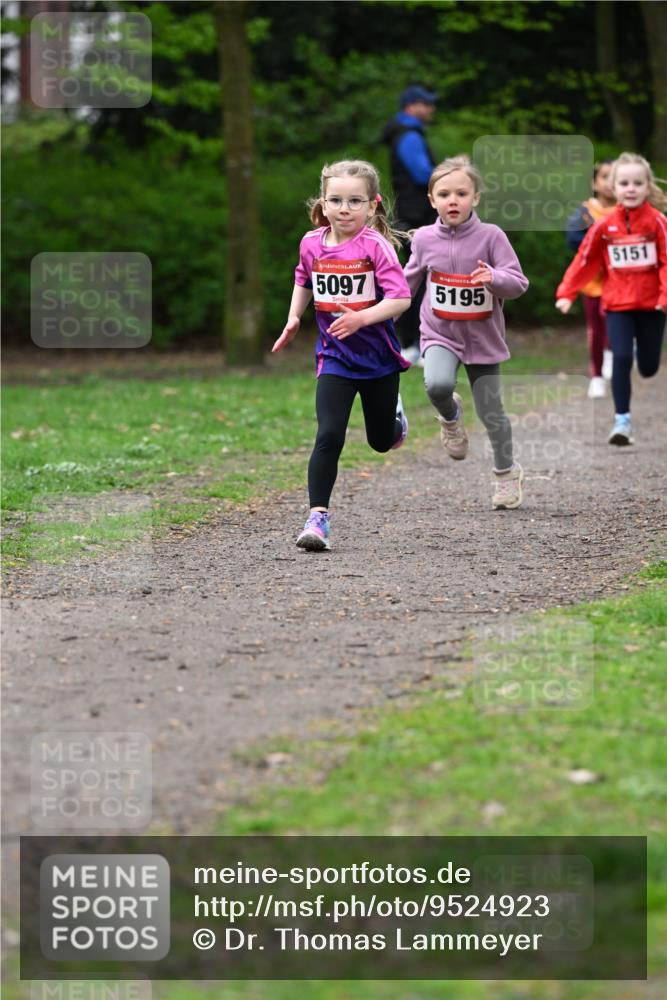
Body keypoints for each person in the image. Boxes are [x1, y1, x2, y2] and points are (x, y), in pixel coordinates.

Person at [272, 159, 412, 552]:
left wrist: (361, 319)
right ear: (324, 202)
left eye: (354, 201)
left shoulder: (375, 246)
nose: (344, 208)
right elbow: (303, 278)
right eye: (336, 200)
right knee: (328, 434)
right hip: (334, 357)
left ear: (372, 205)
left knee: (381, 442)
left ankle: (395, 421)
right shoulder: (311, 242)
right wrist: (293, 318)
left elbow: (401, 298)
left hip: (378, 359)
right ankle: (318, 519)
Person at [404, 156, 529, 509]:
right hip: (439, 331)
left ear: (475, 198)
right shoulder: (425, 238)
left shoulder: (492, 236)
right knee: (437, 385)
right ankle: (450, 416)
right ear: (432, 200)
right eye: (444, 194)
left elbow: (518, 282)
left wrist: (495, 277)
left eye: (461, 193)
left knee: (491, 411)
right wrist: (377, 308)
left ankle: (506, 474)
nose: (453, 200)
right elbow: (407, 282)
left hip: (483, 336)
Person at [556, 152, 667, 445]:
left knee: (648, 366)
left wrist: (664, 296)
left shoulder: (657, 222)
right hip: (617, 303)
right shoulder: (603, 226)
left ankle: (645, 364)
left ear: (647, 187)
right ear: (614, 188)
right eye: (624, 183)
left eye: (637, 183)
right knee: (620, 357)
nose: (631, 188)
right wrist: (567, 292)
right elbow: (585, 259)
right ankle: (622, 422)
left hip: (653, 305)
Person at [382, 85, 438, 365]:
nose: (431, 109)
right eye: (426, 104)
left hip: (410, 215)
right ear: (411, 106)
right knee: (416, 280)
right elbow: (422, 174)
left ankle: (414, 344)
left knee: (415, 279)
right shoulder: (409, 135)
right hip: (415, 218)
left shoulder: (404, 133)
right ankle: (411, 346)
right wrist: (451, 173)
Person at [565, 160, 616, 398]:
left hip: (621, 281)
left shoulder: (626, 210)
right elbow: (573, 240)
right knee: (595, 328)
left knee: (617, 320)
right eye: (606, 176)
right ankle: (596, 376)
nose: (611, 183)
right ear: (595, 183)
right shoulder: (586, 212)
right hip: (593, 282)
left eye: (615, 177)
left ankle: (613, 353)